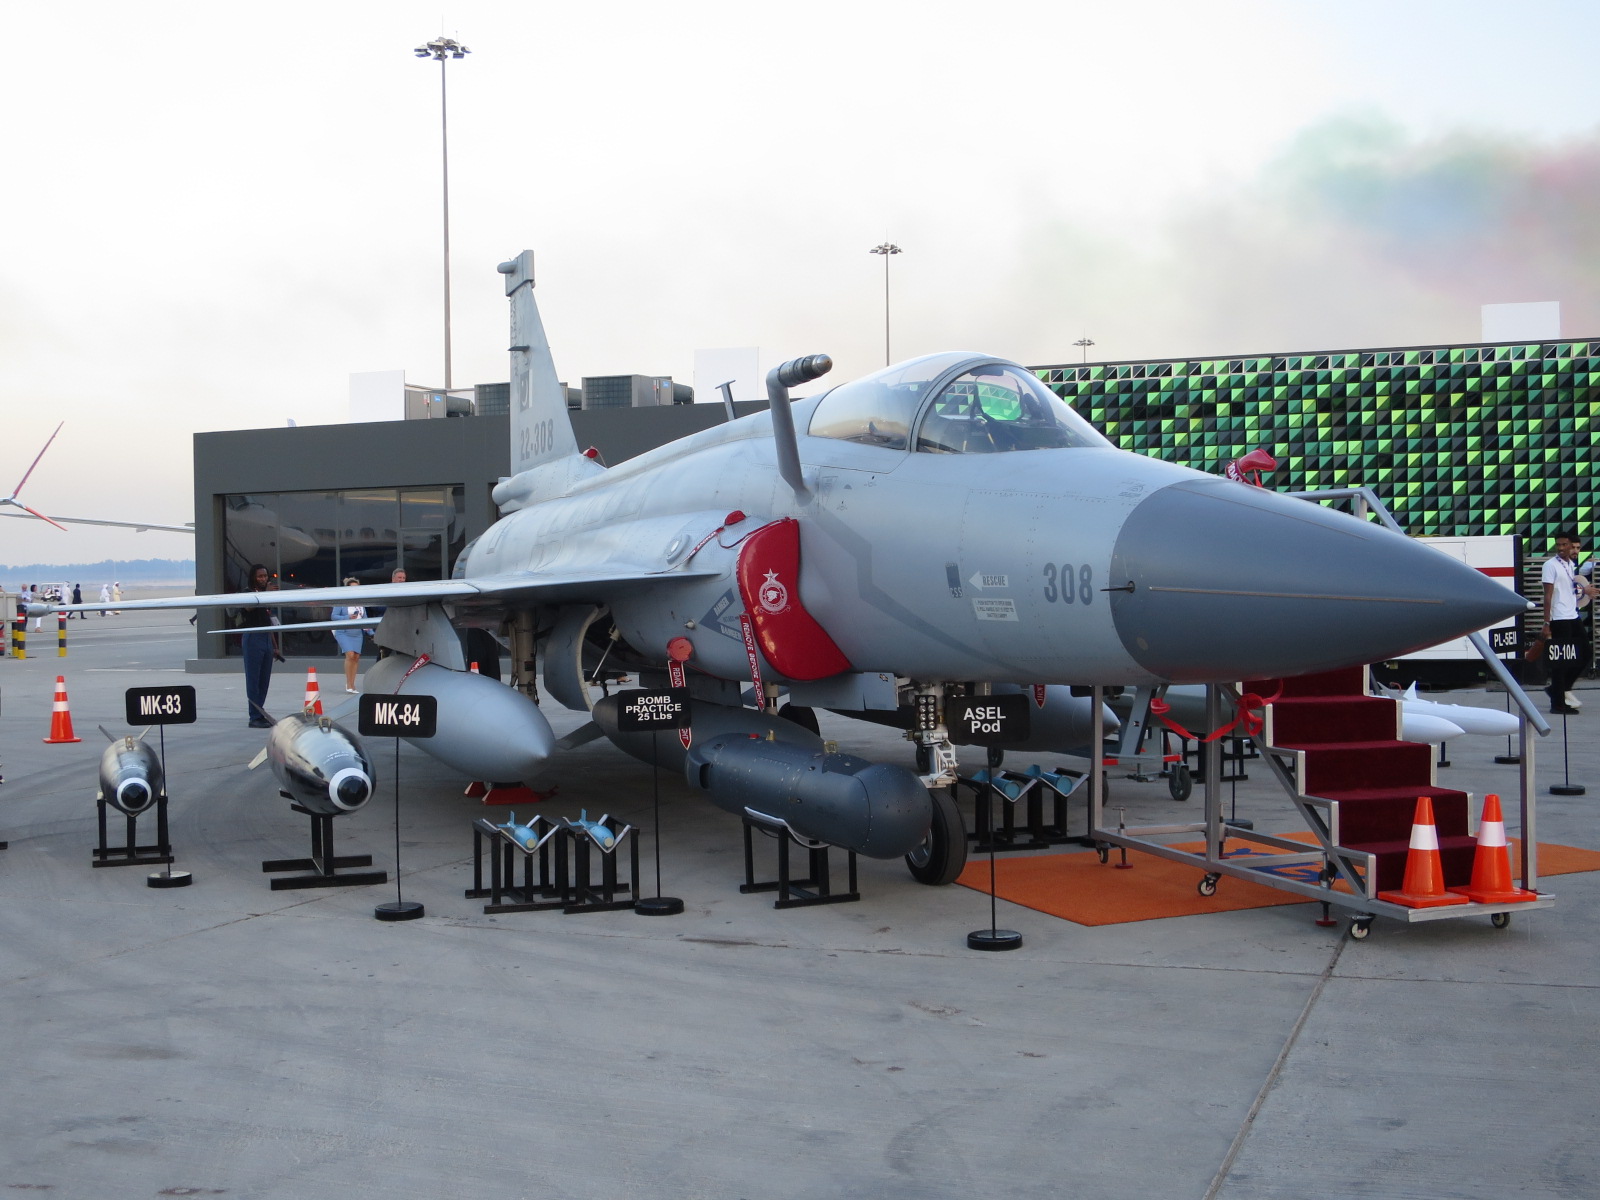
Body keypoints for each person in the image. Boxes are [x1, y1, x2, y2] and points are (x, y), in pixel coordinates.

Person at [1540, 531, 1593, 715]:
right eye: (1558, 545)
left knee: (1585, 653)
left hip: (1572, 616)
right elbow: (1548, 596)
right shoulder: (1550, 565)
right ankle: (1558, 704)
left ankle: (1558, 689)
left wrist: (1585, 591)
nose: (1561, 548)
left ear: (1572, 545)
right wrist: (1547, 622)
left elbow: (1569, 590)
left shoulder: (1570, 565)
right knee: (1561, 661)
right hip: (1559, 618)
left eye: (1565, 545)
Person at [235, 564, 283, 727]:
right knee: (253, 680)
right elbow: (248, 607)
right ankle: (254, 716)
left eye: (265, 576)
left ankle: (260, 712)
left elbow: (268, 621)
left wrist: (275, 646)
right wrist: (265, 594)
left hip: (266, 639)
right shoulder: (248, 592)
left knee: (264, 680)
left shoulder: (265, 595)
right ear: (253, 577)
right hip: (252, 638)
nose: (263, 579)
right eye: (260, 576)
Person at [330, 577, 371, 693]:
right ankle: (348, 684)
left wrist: (371, 632)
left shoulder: (361, 603)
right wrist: (347, 617)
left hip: (357, 633)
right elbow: (334, 617)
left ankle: (353, 684)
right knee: (350, 654)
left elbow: (365, 619)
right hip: (343, 632)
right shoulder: (341, 601)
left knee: (356, 657)